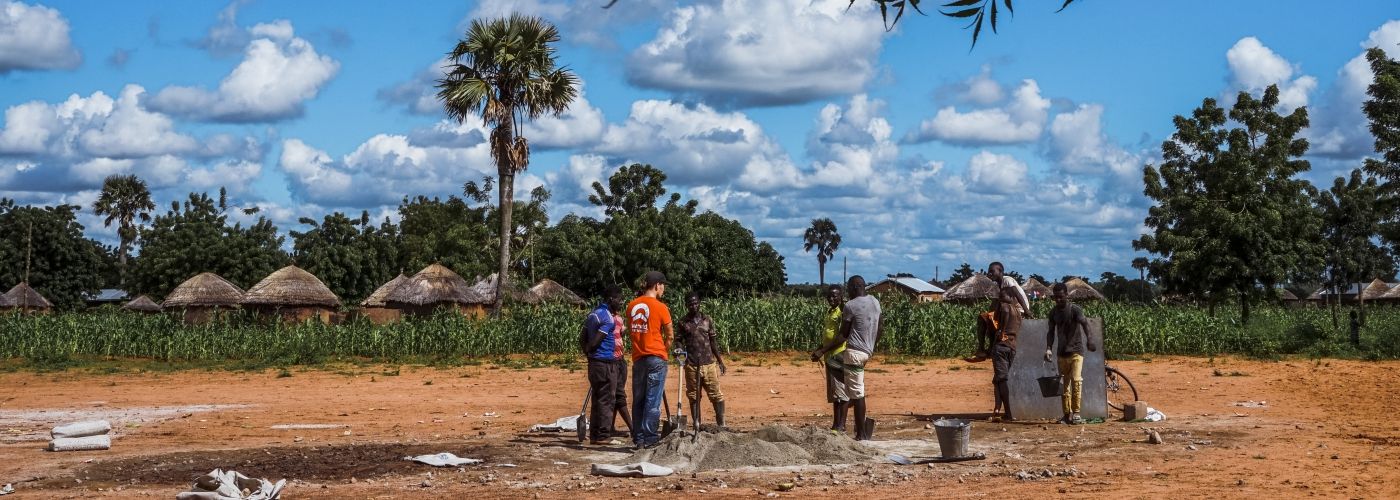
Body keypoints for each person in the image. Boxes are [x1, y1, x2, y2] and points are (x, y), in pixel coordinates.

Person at [810, 275, 882, 440]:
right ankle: (848, 409)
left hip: (853, 353)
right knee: (837, 369)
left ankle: (861, 434)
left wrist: (822, 351)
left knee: (857, 395)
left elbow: (843, 335)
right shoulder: (875, 302)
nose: (848, 292)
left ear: (856, 286)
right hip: (864, 352)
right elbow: (880, 327)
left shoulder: (850, 306)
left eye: (848, 288)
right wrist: (871, 346)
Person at [627, 271, 673, 449]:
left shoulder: (631, 306)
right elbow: (670, 335)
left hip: (639, 359)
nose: (664, 289)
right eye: (663, 286)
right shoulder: (661, 307)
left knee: (638, 400)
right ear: (657, 286)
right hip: (656, 358)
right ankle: (650, 438)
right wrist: (663, 350)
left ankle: (638, 439)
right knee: (652, 401)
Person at [1045, 282, 1096, 425]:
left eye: (1060, 297)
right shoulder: (1053, 312)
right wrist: (1048, 348)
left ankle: (1077, 413)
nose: (1058, 300)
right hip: (1061, 353)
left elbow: (1085, 324)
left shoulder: (1075, 310)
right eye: (1055, 297)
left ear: (1066, 295)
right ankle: (1066, 415)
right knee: (1064, 385)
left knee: (1076, 381)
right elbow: (1050, 332)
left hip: (1076, 351)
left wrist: (1090, 340)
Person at [677, 291, 727, 429]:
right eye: (690, 304)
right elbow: (679, 341)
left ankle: (722, 425)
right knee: (693, 396)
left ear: (699, 303)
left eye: (695, 303)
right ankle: (697, 424)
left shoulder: (707, 320)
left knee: (716, 395)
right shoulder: (683, 322)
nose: (693, 306)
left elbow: (713, 342)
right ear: (686, 305)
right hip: (692, 365)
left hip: (709, 364)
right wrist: (681, 356)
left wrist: (720, 361)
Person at [582, 286, 625, 444]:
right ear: (611, 299)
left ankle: (594, 434)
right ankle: (602, 435)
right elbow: (595, 341)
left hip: (594, 363)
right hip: (606, 363)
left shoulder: (593, 314)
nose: (621, 303)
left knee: (597, 398)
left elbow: (583, 337)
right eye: (619, 300)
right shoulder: (608, 318)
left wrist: (588, 355)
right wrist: (592, 350)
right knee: (607, 399)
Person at [817, 284, 850, 432]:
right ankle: (835, 424)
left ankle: (841, 425)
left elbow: (842, 337)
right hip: (829, 355)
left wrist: (823, 350)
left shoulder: (842, 312)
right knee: (834, 394)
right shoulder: (830, 312)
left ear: (841, 297)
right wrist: (820, 349)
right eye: (829, 296)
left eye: (835, 296)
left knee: (841, 392)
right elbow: (829, 334)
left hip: (838, 355)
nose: (831, 298)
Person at [990, 280, 1022, 421]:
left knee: (1002, 379)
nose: (1000, 299)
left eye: (1003, 296)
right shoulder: (1018, 312)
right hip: (1012, 347)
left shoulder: (1004, 307)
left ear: (1010, 297)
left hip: (1001, 346)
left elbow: (1000, 317)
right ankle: (997, 407)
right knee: (998, 378)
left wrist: (1000, 330)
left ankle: (1008, 412)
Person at [611, 305, 633, 436]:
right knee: (619, 394)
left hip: (620, 359)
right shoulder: (607, 319)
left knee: (615, 395)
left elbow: (621, 331)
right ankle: (632, 428)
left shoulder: (619, 319)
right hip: (612, 361)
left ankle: (610, 427)